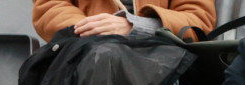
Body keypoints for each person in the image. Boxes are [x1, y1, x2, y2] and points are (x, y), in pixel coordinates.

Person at [32, 0, 216, 43]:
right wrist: (94, 29)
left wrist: (135, 27)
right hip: (85, 49)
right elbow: (50, 7)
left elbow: (198, 20)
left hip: (159, 52)